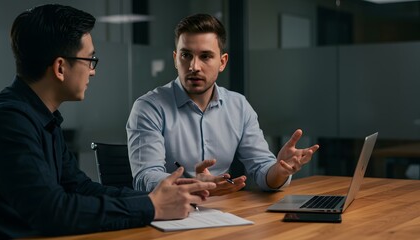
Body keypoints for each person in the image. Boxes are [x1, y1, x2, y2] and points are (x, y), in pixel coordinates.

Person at [0, 4, 216, 239]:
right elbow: (51, 211)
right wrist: (152, 207)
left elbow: (80, 187)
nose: (92, 71)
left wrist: (161, 198)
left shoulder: (42, 118)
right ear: (60, 67)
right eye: (90, 59)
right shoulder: (7, 121)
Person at [127, 13, 319, 196]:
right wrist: (195, 186)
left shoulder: (239, 106)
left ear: (222, 62)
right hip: (168, 216)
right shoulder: (148, 107)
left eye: (205, 56)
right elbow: (146, 178)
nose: (194, 66)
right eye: (186, 55)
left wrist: (280, 170)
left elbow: (262, 170)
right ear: (176, 59)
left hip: (221, 212)